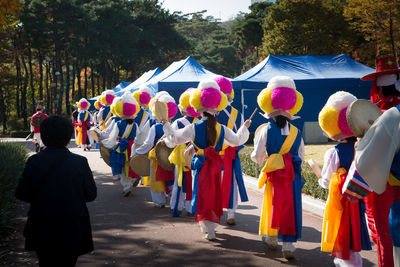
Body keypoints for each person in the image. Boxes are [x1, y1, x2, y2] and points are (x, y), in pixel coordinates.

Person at [163, 79, 250, 240]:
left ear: (198, 104)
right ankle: (212, 226)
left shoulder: (193, 127)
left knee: (202, 194)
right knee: (215, 194)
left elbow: (173, 139)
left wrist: (166, 125)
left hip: (201, 165)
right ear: (218, 105)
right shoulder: (222, 128)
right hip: (217, 166)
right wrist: (245, 127)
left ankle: (207, 227)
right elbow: (237, 140)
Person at [15, 115, 97, 267]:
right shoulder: (79, 162)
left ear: (43, 138)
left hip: (42, 224)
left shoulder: (34, 161)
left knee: (45, 262)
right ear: (68, 138)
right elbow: (91, 194)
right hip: (72, 225)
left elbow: (22, 193)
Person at [250, 76, 304, 260]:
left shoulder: (265, 129)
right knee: (291, 208)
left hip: (274, 175)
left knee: (273, 206)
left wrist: (265, 162)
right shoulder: (297, 131)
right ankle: (289, 245)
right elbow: (301, 157)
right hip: (292, 177)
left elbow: (257, 155)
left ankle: (271, 238)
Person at [355, 55, 400, 267]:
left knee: (386, 234)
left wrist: (359, 144)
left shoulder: (386, 117)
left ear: (378, 89)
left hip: (387, 188)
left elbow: (365, 162)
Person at [343, 103, 400, 267]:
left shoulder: (392, 115)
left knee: (388, 240)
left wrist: (362, 143)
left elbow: (366, 161)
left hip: (394, 194)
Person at [318, 91, 371, 267]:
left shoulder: (333, 152)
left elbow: (326, 181)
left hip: (340, 202)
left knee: (343, 232)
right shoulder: (363, 148)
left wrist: (321, 179)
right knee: (355, 230)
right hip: (358, 199)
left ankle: (347, 262)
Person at [214, 76, 248, 226]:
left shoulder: (211, 112)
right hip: (230, 155)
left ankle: (214, 213)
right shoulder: (237, 114)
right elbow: (241, 137)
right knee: (231, 183)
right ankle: (231, 213)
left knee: (213, 184)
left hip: (213, 155)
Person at [135, 92, 178, 207]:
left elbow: (148, 144)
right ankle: (172, 197)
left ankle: (159, 201)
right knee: (171, 177)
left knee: (156, 179)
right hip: (172, 157)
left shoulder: (155, 127)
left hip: (157, 157)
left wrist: (137, 152)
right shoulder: (174, 126)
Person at [168, 88, 200, 217]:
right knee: (193, 181)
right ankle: (191, 207)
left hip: (181, 155)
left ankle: (176, 206)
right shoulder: (200, 122)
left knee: (178, 182)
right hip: (196, 155)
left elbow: (172, 140)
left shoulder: (178, 122)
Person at [102, 94, 141, 197]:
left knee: (123, 168)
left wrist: (103, 143)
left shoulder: (118, 124)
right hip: (132, 148)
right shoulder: (135, 125)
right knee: (131, 165)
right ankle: (133, 179)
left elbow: (112, 139)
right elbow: (138, 138)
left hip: (121, 148)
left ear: (120, 110)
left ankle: (126, 187)